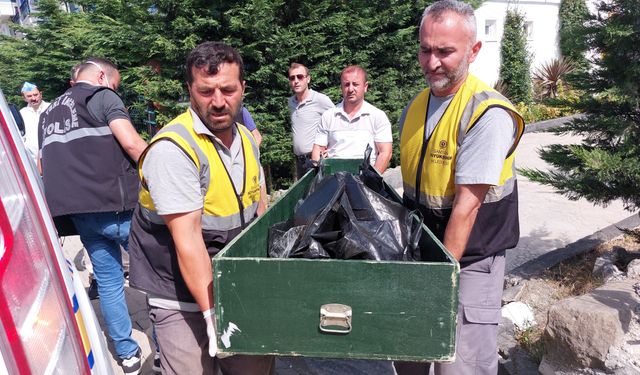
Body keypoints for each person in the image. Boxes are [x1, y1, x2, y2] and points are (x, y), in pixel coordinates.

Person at [393, 1, 525, 374]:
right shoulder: (416, 105)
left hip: (467, 265)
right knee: (410, 358)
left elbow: (466, 209)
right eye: (425, 49)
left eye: (445, 51)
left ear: (474, 50)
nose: (432, 61)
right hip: (420, 257)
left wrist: (438, 286)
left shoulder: (488, 114)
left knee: (460, 367)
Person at [128, 41, 274, 375]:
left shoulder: (246, 139)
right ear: (190, 90)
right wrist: (213, 317)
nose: (219, 101)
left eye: (228, 89)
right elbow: (188, 239)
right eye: (206, 91)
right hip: (180, 295)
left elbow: (258, 207)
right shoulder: (174, 149)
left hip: (233, 285)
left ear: (243, 89)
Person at [38, 57, 148, 374]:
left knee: (110, 282)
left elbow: (44, 164)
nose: (115, 91)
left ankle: (126, 354)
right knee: (159, 278)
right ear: (101, 76)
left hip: (81, 214)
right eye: (115, 85)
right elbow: (131, 143)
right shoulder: (102, 96)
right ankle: (165, 346)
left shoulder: (48, 112)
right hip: (119, 209)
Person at [311, 65, 393, 174]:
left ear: (365, 87)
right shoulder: (328, 116)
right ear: (341, 87)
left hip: (365, 180)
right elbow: (318, 150)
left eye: (355, 84)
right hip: (333, 180)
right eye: (346, 84)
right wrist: (320, 172)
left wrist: (372, 180)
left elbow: (385, 153)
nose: (350, 89)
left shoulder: (378, 116)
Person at [287, 63, 334, 179]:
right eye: (292, 78)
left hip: (315, 160)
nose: (296, 81)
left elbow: (337, 120)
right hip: (299, 161)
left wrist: (332, 148)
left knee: (319, 195)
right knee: (304, 196)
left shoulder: (320, 100)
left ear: (308, 79)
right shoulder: (291, 102)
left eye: (300, 77)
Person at [20, 81, 50, 161]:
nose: (33, 98)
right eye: (29, 96)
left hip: (52, 157)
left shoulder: (51, 108)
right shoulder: (22, 114)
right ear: (24, 98)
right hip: (32, 161)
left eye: (35, 94)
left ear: (41, 94)